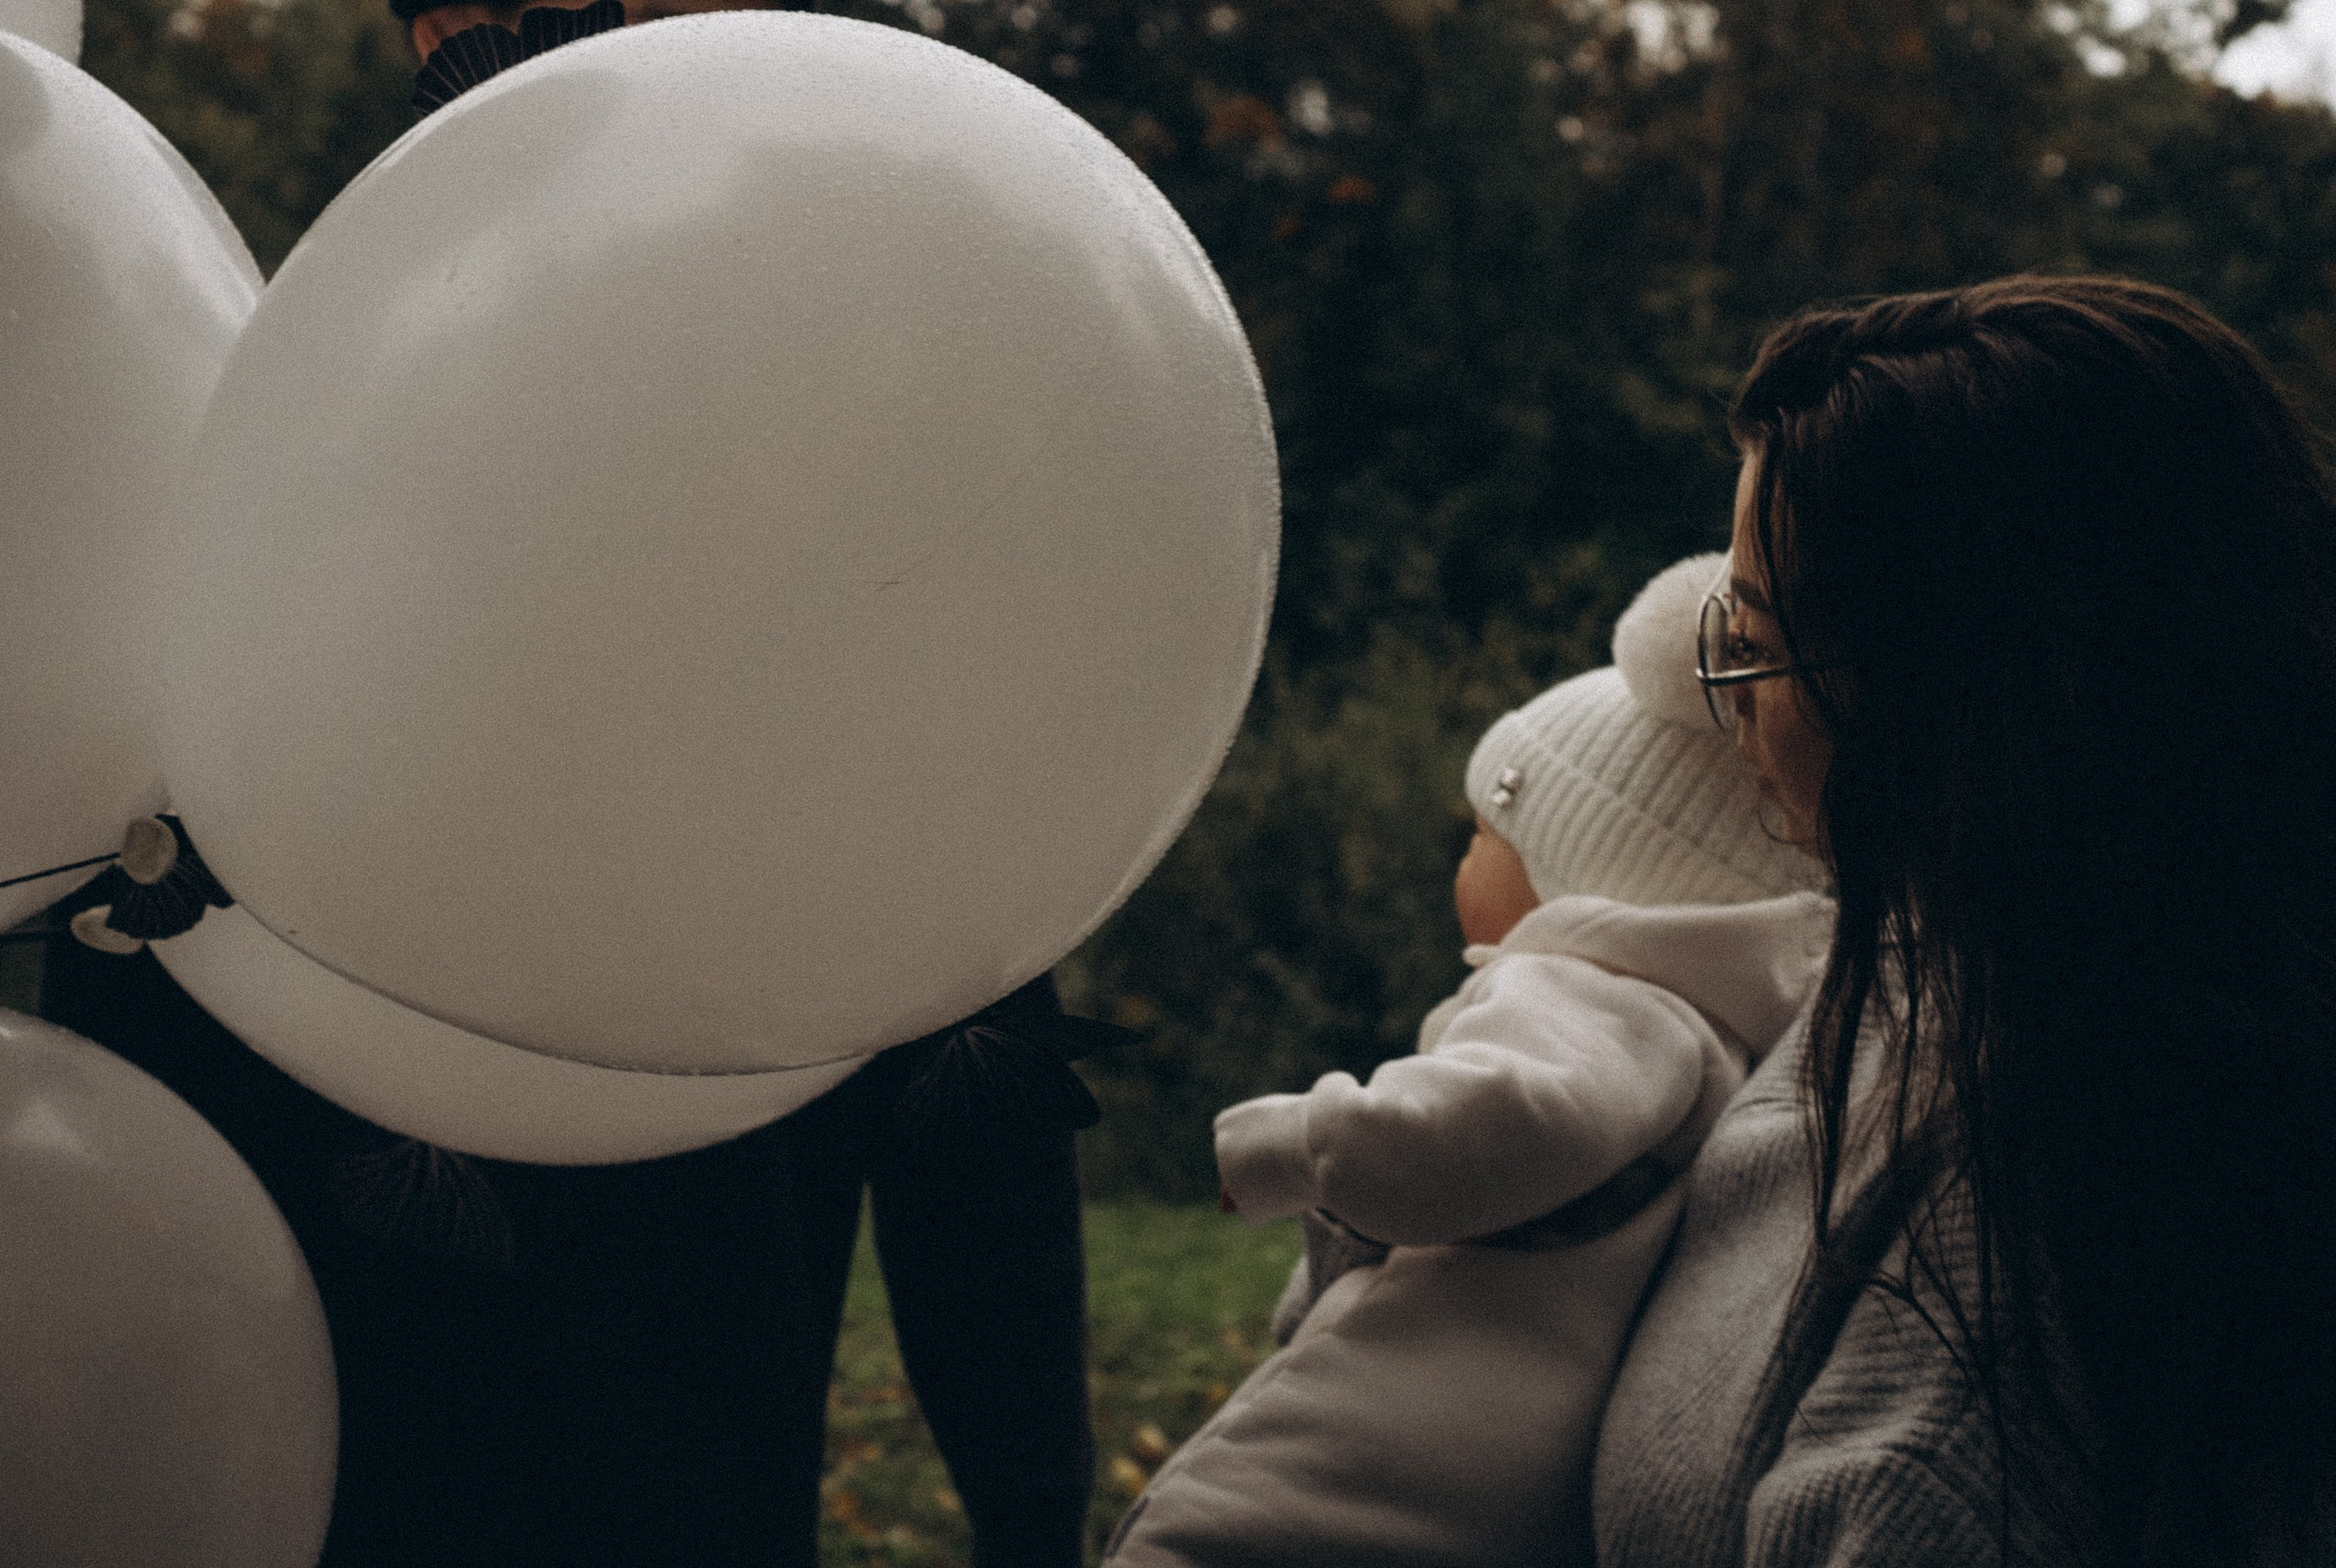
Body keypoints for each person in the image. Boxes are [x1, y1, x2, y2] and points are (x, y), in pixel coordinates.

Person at [37, 6, 1108, 1561]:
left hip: (612, 1439)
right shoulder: (286, 479)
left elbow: (975, 1084)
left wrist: (1034, 1506)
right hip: (399, 1435)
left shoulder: (790, 547)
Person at [1593, 275, 2336, 1567]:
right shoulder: (1944, 967)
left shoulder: (1991, 1301)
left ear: (1957, 703)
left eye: (1764, 643)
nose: (1741, 707)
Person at [1102, 554, 1831, 1566]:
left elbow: (1500, 1120)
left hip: (1370, 1470)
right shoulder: (1711, 1035)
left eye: (1481, 835)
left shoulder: (1591, 996)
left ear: (1582, 865)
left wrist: (1298, 1143)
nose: (1462, 864)